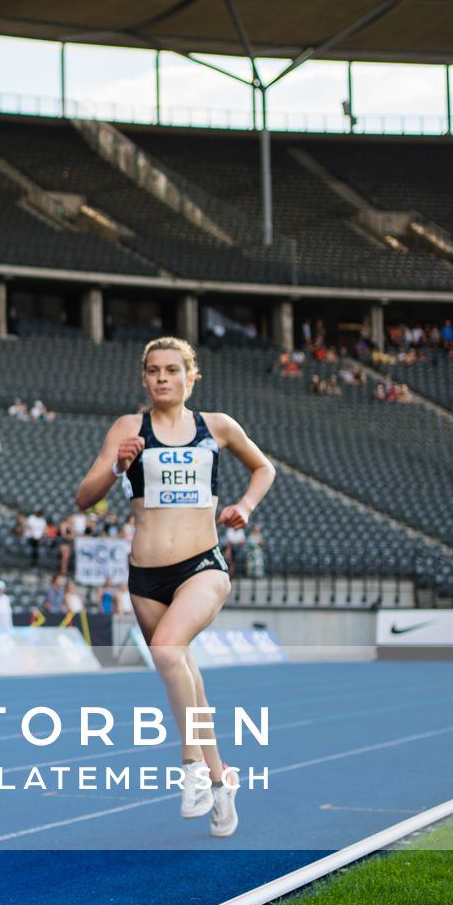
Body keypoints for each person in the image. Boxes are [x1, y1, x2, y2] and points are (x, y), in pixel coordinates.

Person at [76, 336, 275, 840]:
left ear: (191, 377)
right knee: (187, 675)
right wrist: (118, 464)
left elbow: (264, 468)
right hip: (145, 577)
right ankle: (221, 780)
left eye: (171, 369)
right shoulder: (128, 428)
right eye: (152, 370)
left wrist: (245, 508)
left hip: (202, 565)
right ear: (143, 379)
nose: (162, 378)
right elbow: (84, 497)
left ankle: (189, 767)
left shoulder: (218, 427)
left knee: (166, 651)